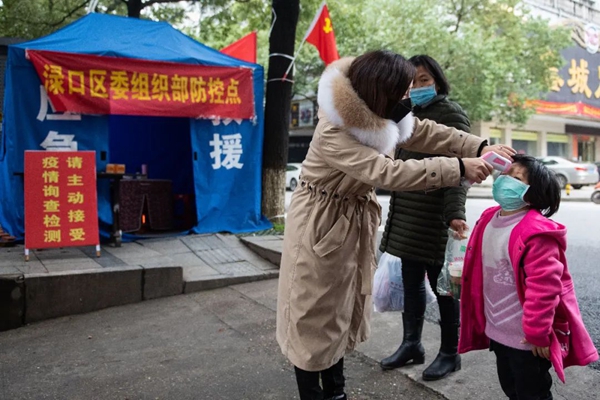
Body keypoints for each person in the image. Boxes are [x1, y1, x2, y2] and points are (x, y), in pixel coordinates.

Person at [275, 49, 515, 400]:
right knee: (313, 311)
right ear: (380, 91)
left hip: (350, 220)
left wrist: (478, 145)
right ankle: (314, 393)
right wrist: (459, 167)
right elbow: (386, 172)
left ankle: (336, 390)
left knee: (340, 308)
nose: (409, 97)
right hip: (320, 223)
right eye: (403, 91)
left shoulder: (378, 114)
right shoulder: (333, 131)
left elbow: (424, 132)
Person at [459, 155, 598, 399]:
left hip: (526, 340)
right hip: (498, 330)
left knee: (532, 392)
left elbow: (544, 290)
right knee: (510, 387)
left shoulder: (536, 233)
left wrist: (537, 334)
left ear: (532, 192)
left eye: (516, 177)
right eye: (505, 173)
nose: (504, 180)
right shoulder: (489, 218)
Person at [379, 54, 470, 381]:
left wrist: (455, 213)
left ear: (437, 82)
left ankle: (450, 353)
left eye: (424, 80)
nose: (416, 86)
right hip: (406, 214)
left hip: (434, 217)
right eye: (411, 81)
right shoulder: (405, 113)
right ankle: (411, 344)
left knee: (444, 288)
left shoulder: (451, 114)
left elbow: (460, 169)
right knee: (411, 282)